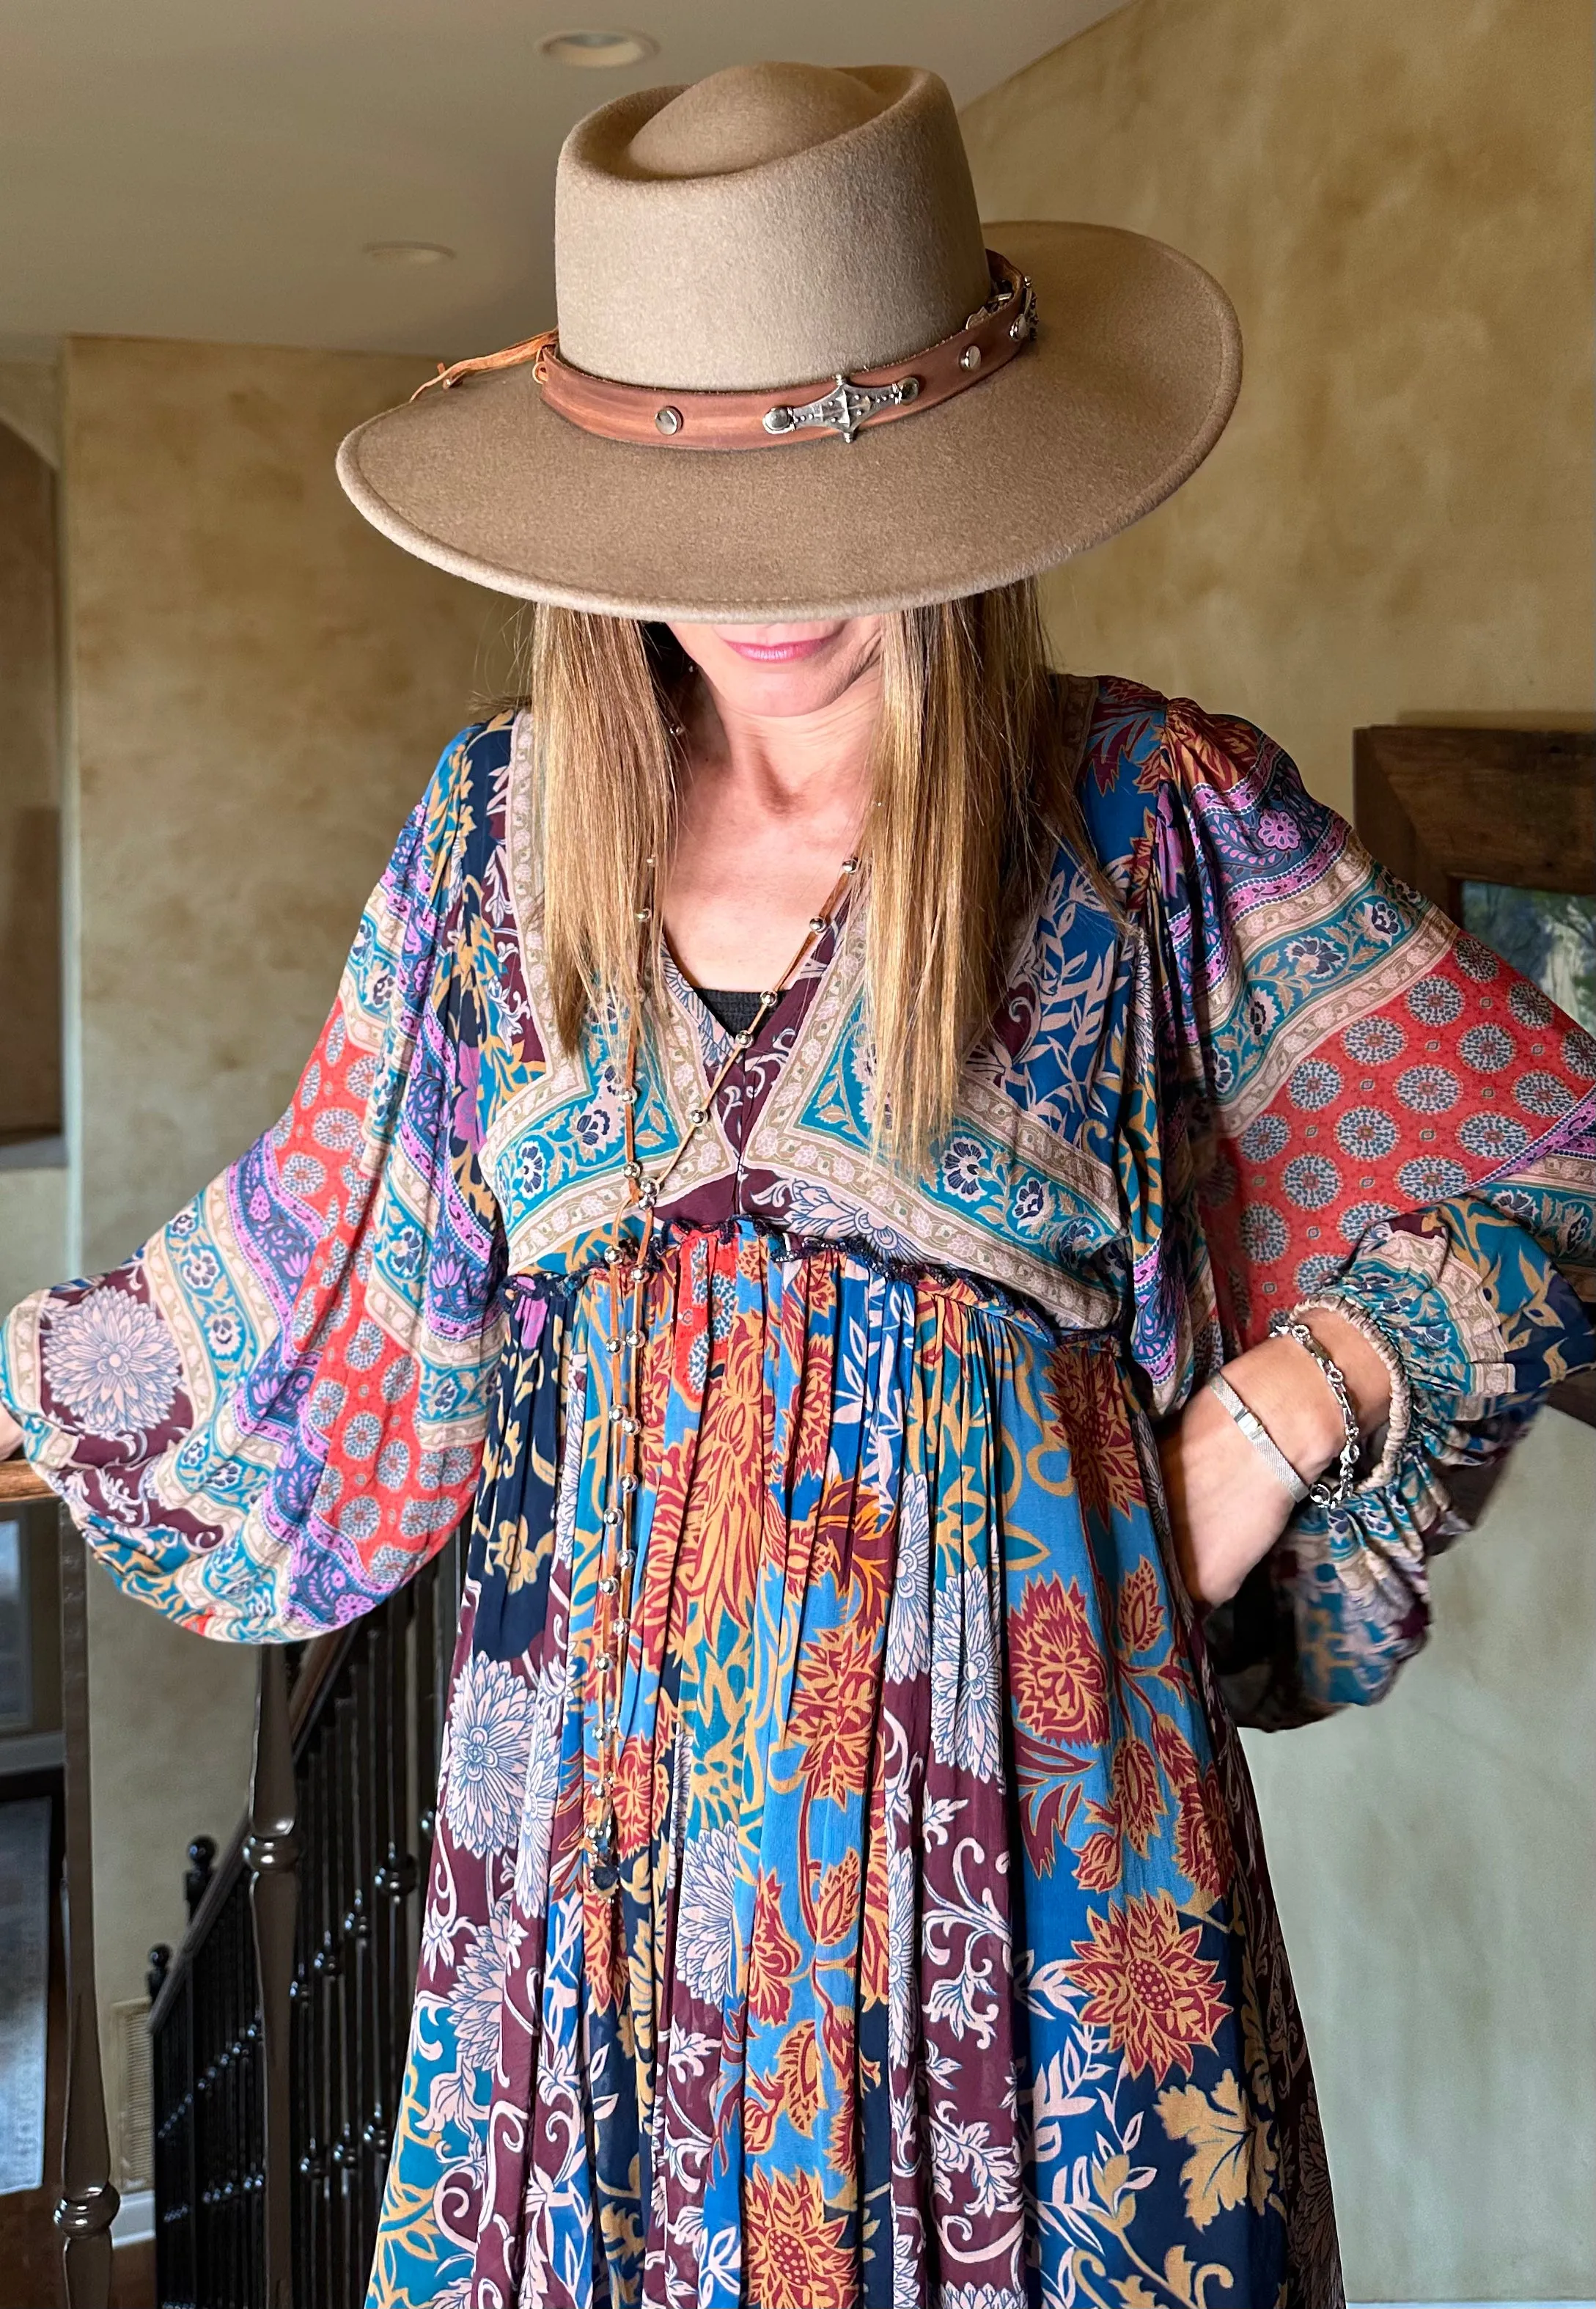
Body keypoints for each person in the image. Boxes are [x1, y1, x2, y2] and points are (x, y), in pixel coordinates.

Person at [2, 59, 1592, 2309]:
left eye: (851, 501)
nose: (779, 602)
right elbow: (286, 1304)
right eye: (707, 517)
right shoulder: (494, 851)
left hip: (1043, 1915)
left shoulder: (1140, 822)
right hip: (601, 1920)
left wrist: (1298, 1394)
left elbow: (1555, 1163)